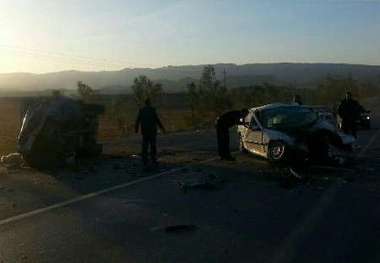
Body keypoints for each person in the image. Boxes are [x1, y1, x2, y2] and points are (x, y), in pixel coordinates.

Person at [135, 99, 165, 166]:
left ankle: (144, 159)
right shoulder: (152, 110)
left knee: (145, 145)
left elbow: (138, 120)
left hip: (145, 130)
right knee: (153, 145)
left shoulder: (141, 110)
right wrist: (162, 128)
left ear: (145, 103)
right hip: (152, 131)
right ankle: (153, 159)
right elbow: (157, 120)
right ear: (149, 103)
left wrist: (136, 128)